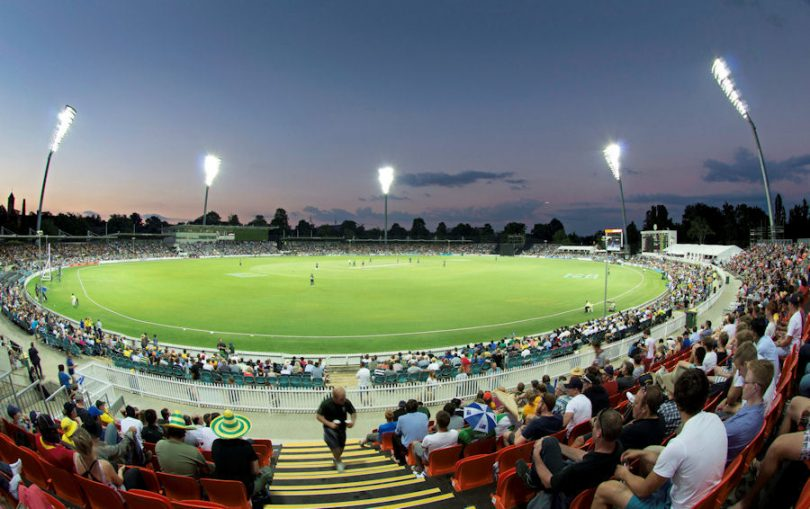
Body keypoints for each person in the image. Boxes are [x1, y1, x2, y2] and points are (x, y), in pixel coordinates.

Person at [592, 369, 727, 509]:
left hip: (676, 505)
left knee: (604, 489)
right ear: (705, 397)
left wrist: (623, 473)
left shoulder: (679, 445)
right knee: (649, 452)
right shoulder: (716, 420)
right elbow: (681, 458)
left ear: (676, 401)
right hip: (704, 498)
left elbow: (643, 490)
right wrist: (642, 453)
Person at [515, 408, 624, 508]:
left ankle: (532, 480)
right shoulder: (617, 448)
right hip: (585, 483)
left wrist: (536, 455)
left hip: (565, 495)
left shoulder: (578, 469)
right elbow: (585, 456)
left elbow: (549, 483)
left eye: (595, 426)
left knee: (546, 445)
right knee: (550, 442)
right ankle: (534, 475)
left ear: (599, 433)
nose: (593, 428)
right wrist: (559, 445)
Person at [211, 410, 272, 502]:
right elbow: (255, 471)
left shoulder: (215, 444)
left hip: (221, 488)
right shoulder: (245, 446)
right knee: (267, 471)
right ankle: (260, 496)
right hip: (244, 489)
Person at [724, 360, 773, 464]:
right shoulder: (757, 408)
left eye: (745, 382)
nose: (742, 386)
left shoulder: (743, 423)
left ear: (755, 387)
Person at [155, 411, 209, 477]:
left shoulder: (159, 445)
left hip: (168, 484)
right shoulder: (193, 451)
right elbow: (206, 470)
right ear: (184, 433)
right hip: (190, 485)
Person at [316, 387, 356, 472]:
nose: (343, 400)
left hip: (342, 428)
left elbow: (353, 412)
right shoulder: (326, 404)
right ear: (334, 398)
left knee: (341, 448)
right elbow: (318, 416)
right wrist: (329, 424)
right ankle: (338, 462)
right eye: (341, 399)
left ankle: (336, 458)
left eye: (344, 397)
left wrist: (352, 421)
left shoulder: (346, 402)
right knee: (336, 448)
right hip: (329, 429)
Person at [411, 410, 458, 477]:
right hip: (448, 457)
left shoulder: (429, 438)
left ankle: (420, 468)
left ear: (437, 422)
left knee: (414, 444)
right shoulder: (455, 433)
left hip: (432, 460)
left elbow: (422, 449)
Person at [620, 384, 665, 450]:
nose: (632, 406)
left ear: (644, 408)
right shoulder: (661, 418)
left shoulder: (630, 431)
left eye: (636, 403)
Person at [393, 399, 429, 466]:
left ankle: (400, 459)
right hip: (423, 443)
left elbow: (397, 432)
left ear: (406, 409)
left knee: (394, 436)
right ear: (417, 407)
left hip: (409, 447)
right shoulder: (424, 415)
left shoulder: (401, 418)